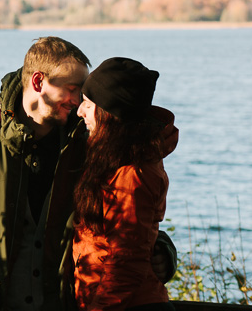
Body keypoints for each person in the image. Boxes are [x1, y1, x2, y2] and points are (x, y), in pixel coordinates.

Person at [0, 37, 176, 311]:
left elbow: (130, 219)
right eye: (73, 89)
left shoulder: (94, 150)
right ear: (38, 82)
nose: (78, 102)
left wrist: (163, 250)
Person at [73, 58, 178, 311]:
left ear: (109, 115)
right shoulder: (111, 159)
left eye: (88, 104)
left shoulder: (132, 174)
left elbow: (126, 263)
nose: (80, 111)